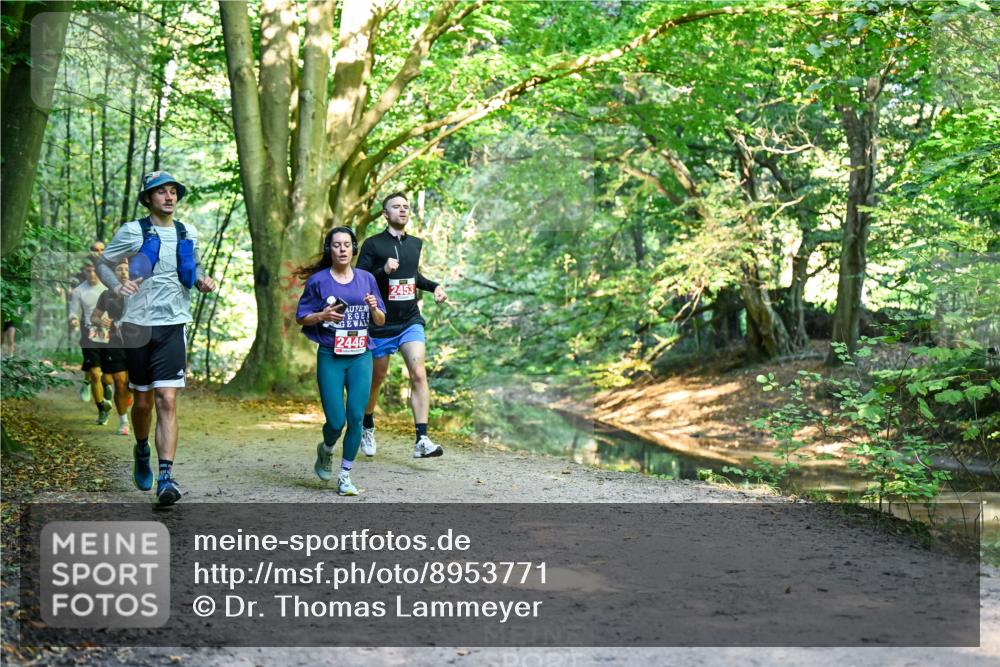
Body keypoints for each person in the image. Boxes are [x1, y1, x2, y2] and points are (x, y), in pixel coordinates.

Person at [96, 171, 217, 506]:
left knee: (167, 399)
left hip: (173, 324)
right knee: (144, 402)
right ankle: (141, 448)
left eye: (173, 192)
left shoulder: (186, 232)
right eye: (160, 192)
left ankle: (166, 476)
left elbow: (196, 268)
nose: (168, 197)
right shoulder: (133, 231)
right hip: (137, 325)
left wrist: (204, 281)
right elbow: (104, 263)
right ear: (148, 198)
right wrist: (117, 286)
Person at [356, 192, 448, 459]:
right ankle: (367, 425)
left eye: (406, 207)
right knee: (377, 379)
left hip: (409, 321)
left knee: (418, 373)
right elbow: (360, 279)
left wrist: (434, 287)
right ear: (386, 214)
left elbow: (413, 277)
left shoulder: (415, 244)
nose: (403, 210)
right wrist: (382, 271)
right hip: (380, 324)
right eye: (396, 207)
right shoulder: (373, 245)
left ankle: (422, 440)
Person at [296, 227, 386, 496]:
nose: (343, 249)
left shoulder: (367, 279)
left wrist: (373, 308)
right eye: (337, 245)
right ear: (329, 250)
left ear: (354, 248)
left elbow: (381, 320)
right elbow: (302, 317)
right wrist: (322, 315)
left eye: (347, 244)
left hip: (361, 355)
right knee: (336, 422)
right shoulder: (319, 281)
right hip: (331, 356)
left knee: (356, 417)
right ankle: (325, 450)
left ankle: (345, 475)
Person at [67, 262, 112, 424]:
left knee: (108, 378)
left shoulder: (109, 287)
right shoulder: (79, 291)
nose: (92, 274)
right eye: (88, 270)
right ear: (84, 271)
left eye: (94, 270)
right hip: (89, 335)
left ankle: (106, 388)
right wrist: (72, 319)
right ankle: (101, 409)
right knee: (95, 374)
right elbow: (73, 311)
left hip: (109, 336)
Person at [91, 258, 133, 435]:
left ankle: (127, 397)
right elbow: (94, 317)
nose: (123, 272)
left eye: (126, 269)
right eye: (119, 270)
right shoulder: (106, 294)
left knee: (131, 385)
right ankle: (124, 421)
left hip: (137, 341)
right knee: (119, 382)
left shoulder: (139, 291)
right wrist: (102, 320)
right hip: (115, 342)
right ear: (112, 275)